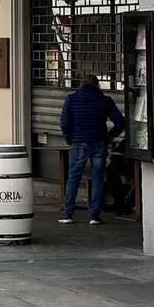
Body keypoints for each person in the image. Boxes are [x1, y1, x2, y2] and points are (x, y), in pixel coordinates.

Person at [59, 74, 126, 224]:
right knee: (97, 178)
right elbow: (120, 122)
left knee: (74, 177)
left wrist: (70, 139)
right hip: (99, 142)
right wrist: (110, 135)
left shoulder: (71, 99)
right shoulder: (105, 101)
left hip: (79, 142)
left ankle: (67, 214)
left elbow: (64, 122)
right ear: (97, 85)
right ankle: (94, 215)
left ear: (81, 84)